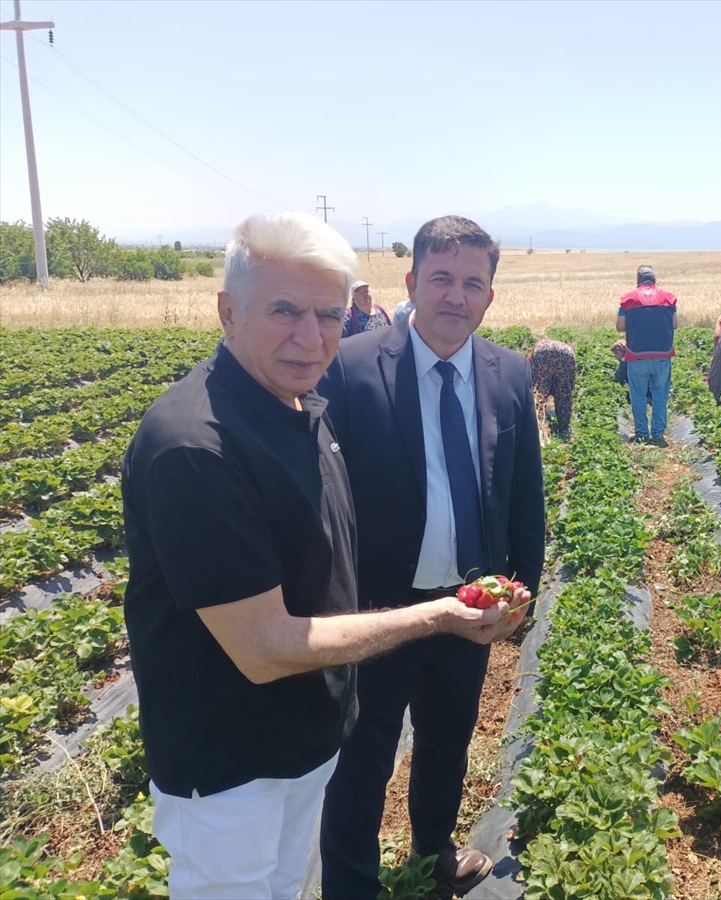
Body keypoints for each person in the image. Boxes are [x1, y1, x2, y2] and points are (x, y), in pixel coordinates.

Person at [120, 213, 524, 900]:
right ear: (228, 311)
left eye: (329, 315)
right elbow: (263, 648)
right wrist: (434, 616)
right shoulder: (196, 445)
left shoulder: (300, 409)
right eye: (285, 310)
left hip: (303, 737)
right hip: (231, 765)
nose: (310, 337)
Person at [319, 216, 546, 899]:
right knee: (363, 758)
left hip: (468, 604)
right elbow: (323, 498)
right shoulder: (352, 367)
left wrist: (521, 593)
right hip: (377, 609)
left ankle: (433, 854)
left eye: (472, 283)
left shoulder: (508, 371)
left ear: (489, 296)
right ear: (412, 282)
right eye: (441, 278)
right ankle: (351, 887)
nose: (456, 295)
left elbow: (523, 494)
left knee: (448, 741)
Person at [616, 265, 677, 446]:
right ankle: (658, 434)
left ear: (638, 279)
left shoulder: (628, 298)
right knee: (660, 395)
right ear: (654, 280)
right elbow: (674, 324)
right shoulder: (669, 298)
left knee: (638, 396)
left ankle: (642, 433)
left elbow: (620, 326)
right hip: (662, 354)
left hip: (637, 354)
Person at [528, 337, 577, 437]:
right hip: (567, 353)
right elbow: (571, 382)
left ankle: (538, 427)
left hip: (542, 352)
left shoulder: (529, 358)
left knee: (539, 393)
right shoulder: (563, 346)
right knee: (563, 394)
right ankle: (564, 429)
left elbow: (531, 382)